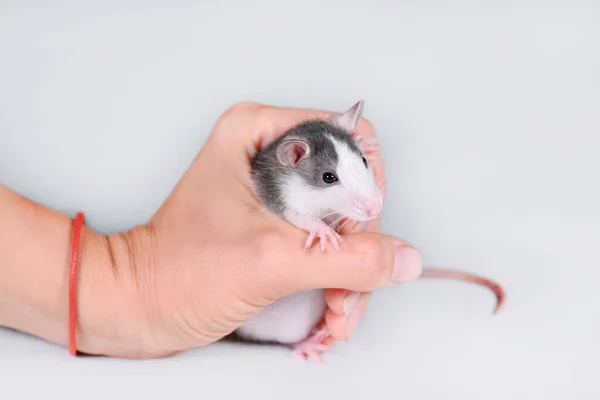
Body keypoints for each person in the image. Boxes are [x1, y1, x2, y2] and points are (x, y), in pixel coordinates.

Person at [0, 102, 423, 358]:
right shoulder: (286, 178)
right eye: (330, 179)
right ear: (295, 157)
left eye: (363, 165)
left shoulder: (316, 154)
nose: (371, 202)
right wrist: (133, 290)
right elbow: (287, 207)